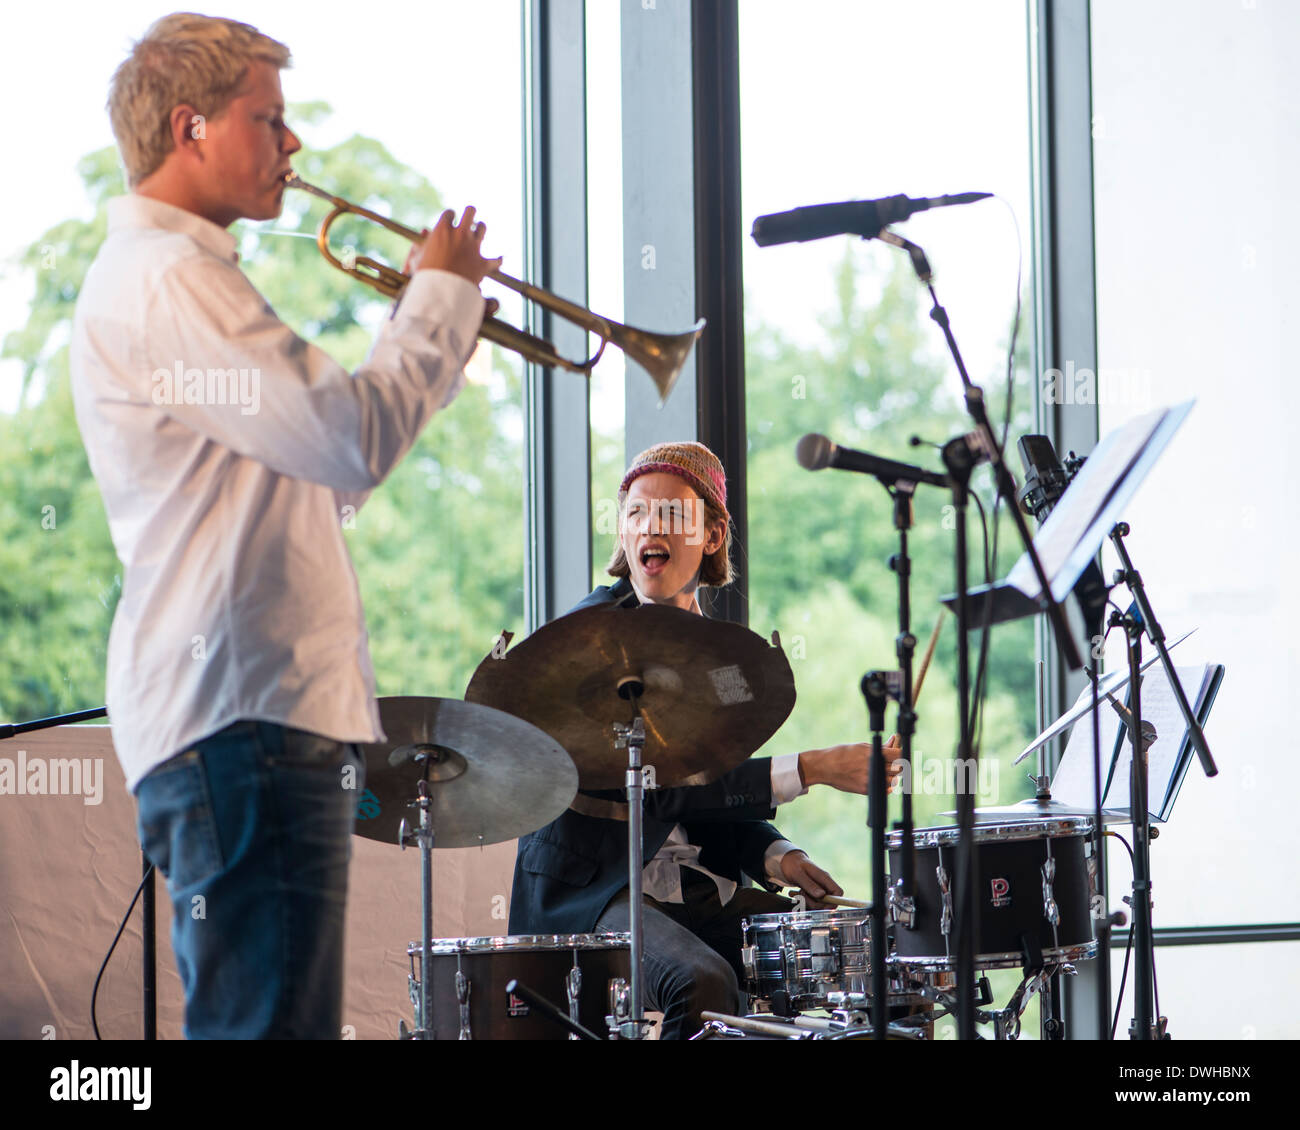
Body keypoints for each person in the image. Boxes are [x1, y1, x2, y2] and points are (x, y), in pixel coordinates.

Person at [69, 13, 499, 1038]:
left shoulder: (174, 277)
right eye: (270, 118)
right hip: (246, 717)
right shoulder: (174, 279)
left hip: (247, 715)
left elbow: (313, 473)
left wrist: (423, 322)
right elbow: (351, 437)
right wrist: (440, 300)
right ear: (193, 128)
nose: (294, 145)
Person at [509, 441, 903, 1039]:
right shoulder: (586, 642)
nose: (650, 527)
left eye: (671, 514)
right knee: (705, 983)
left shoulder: (722, 660)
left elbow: (714, 792)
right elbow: (661, 790)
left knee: (881, 963)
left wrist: (777, 856)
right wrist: (812, 768)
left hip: (699, 892)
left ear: (712, 537)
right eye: (637, 512)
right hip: (594, 893)